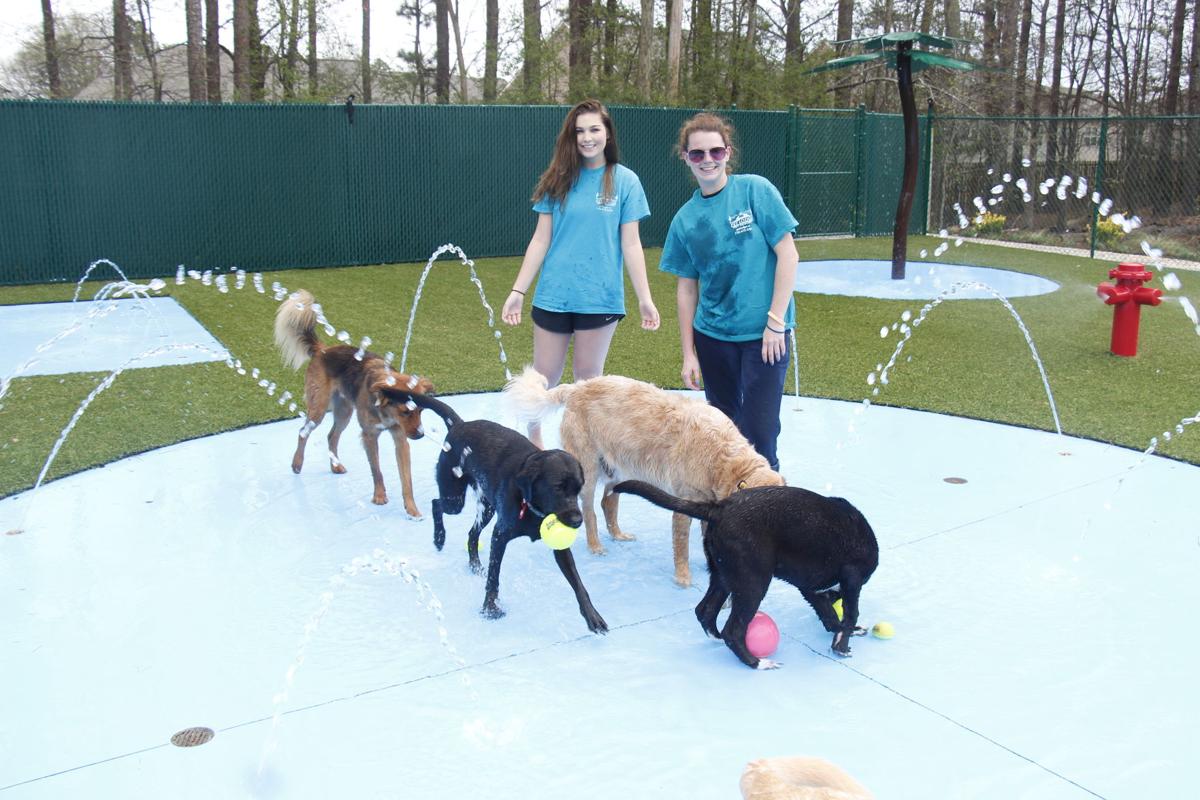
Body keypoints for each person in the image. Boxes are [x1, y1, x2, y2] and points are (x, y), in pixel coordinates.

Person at [502, 99, 660, 447]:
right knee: (543, 378)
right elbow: (540, 239)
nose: (587, 138)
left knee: (588, 382)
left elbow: (631, 244)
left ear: (608, 134)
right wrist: (518, 291)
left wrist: (645, 299)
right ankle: (534, 448)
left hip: (600, 298)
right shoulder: (557, 179)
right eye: (580, 131)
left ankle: (582, 452)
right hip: (554, 296)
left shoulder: (625, 181)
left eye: (594, 129)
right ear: (571, 137)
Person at [658, 112, 799, 471]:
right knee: (723, 431)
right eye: (697, 153)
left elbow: (788, 254)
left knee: (761, 432)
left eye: (715, 152)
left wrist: (775, 322)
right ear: (686, 158)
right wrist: (688, 353)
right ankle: (729, 499)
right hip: (713, 338)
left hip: (765, 337)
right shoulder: (684, 220)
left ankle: (767, 497)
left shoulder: (755, 191)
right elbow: (686, 290)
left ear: (728, 153)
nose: (707, 160)